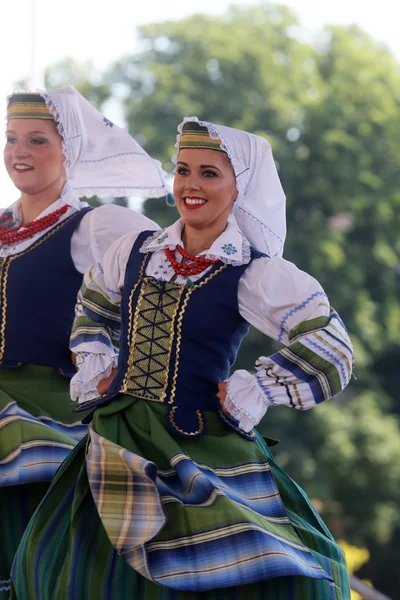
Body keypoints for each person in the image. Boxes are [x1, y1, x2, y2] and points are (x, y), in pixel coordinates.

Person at [11, 118, 353, 599]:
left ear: (240, 188)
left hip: (199, 438)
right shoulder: (135, 251)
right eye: (183, 170)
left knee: (261, 568)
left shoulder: (251, 272)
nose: (191, 185)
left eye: (209, 174)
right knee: (70, 566)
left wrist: (256, 387)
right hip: (118, 431)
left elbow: (332, 348)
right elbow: (94, 302)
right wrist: (94, 354)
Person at [0, 87, 167, 598]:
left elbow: (166, 286)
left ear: (69, 150)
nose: (18, 151)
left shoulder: (94, 228)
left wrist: (115, 359)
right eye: (10, 139)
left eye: (36, 140)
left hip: (47, 407)